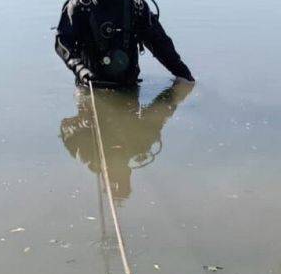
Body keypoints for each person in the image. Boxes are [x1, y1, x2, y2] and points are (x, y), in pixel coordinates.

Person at [55, 0, 194, 88]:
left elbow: (160, 44)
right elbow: (62, 42)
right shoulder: (81, 7)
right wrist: (79, 68)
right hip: (89, 85)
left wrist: (184, 75)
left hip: (128, 85)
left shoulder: (136, 6)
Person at [59, 82, 193, 201]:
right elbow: (67, 128)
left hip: (124, 89)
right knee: (84, 95)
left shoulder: (140, 145)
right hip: (91, 86)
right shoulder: (90, 152)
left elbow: (161, 114)